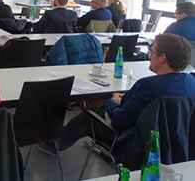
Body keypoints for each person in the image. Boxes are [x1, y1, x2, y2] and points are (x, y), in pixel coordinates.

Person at [39, 34, 195, 154]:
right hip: (177, 144)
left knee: (87, 116)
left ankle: (54, 144)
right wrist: (125, 102)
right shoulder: (191, 83)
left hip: (133, 143)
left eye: (152, 51)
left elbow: (120, 121)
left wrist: (112, 101)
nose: (148, 55)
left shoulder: (148, 85)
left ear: (162, 58)